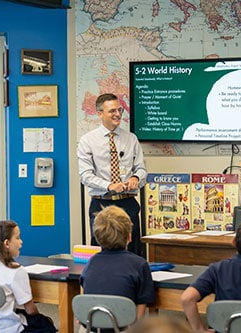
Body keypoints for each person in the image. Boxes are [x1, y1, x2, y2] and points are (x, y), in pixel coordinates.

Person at [77, 93, 147, 256]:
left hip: (127, 203)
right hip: (101, 205)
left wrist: (136, 178)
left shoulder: (131, 139)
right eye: (112, 111)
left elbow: (142, 169)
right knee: (102, 254)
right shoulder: (87, 141)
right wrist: (109, 186)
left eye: (120, 110)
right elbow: (85, 175)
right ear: (100, 113)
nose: (117, 114)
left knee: (133, 253)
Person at [80, 205, 155, 329]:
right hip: (125, 328)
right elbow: (141, 309)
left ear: (97, 238)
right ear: (129, 236)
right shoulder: (139, 264)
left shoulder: (91, 262)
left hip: (92, 328)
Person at [0, 221, 56, 333]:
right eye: (17, 238)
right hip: (10, 329)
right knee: (46, 324)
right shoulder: (16, 270)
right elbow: (30, 310)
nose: (21, 242)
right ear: (6, 243)